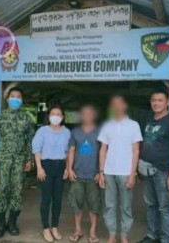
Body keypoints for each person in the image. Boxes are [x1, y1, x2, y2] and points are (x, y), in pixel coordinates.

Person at [137, 88, 169, 243]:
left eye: (160, 100)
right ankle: (152, 235)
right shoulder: (147, 119)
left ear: (167, 103)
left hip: (163, 171)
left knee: (165, 208)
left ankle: (167, 239)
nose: (156, 103)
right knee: (151, 205)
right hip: (146, 169)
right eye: (153, 100)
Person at [0, 87, 35, 238]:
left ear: (22, 100)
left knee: (17, 193)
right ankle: (0, 225)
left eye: (18, 96)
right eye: (12, 96)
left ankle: (12, 223)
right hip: (2, 160)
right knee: (1, 192)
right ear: (7, 99)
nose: (15, 99)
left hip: (20, 161)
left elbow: (30, 140)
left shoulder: (27, 118)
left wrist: (29, 159)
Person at [98, 95, 143, 243]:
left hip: (126, 172)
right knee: (109, 206)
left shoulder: (133, 125)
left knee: (126, 207)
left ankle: (124, 235)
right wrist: (101, 172)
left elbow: (136, 151)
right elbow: (103, 150)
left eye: (119, 103)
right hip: (109, 172)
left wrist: (133, 174)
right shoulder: (107, 125)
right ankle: (112, 234)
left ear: (125, 106)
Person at [32, 105, 71, 243]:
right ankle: (45, 228)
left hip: (60, 166)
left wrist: (68, 167)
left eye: (58, 114)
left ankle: (55, 227)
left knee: (58, 199)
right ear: (48, 116)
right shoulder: (42, 131)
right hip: (46, 166)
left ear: (63, 117)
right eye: (53, 114)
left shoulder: (66, 132)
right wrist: (39, 168)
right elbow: (37, 149)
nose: (56, 116)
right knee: (46, 199)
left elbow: (68, 152)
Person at [67, 104, 101, 243]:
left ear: (94, 115)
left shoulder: (100, 132)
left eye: (89, 113)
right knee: (77, 204)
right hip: (77, 175)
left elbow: (103, 153)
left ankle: (93, 231)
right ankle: (78, 230)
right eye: (84, 113)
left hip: (94, 175)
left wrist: (101, 171)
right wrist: (69, 169)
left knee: (94, 205)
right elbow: (71, 151)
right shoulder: (75, 132)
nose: (86, 116)